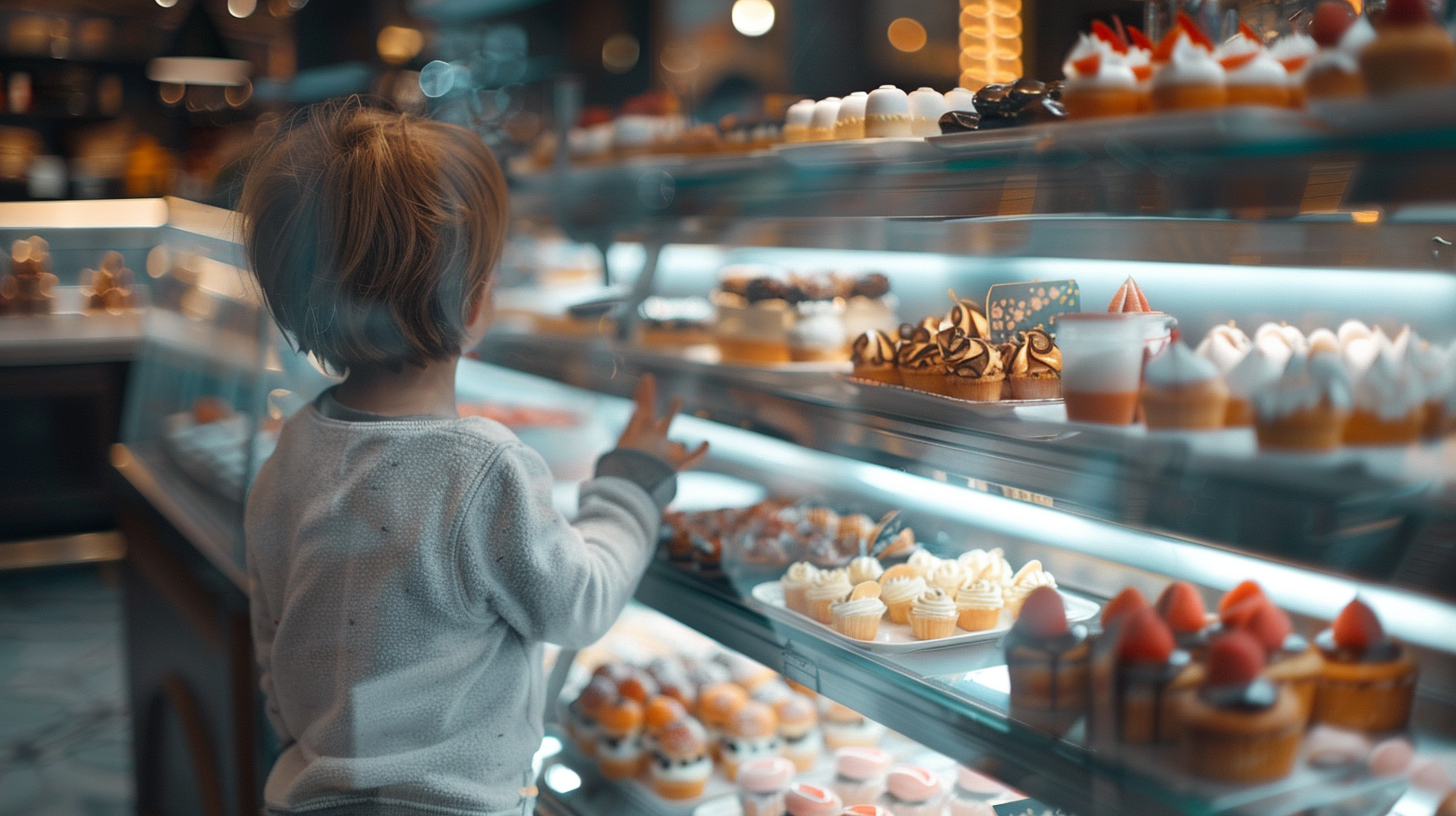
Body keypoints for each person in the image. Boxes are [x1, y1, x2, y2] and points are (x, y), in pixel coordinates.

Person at [239, 99, 705, 816]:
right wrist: (633, 482)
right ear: (479, 304)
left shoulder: (292, 450)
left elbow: (273, 641)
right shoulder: (481, 468)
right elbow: (579, 602)